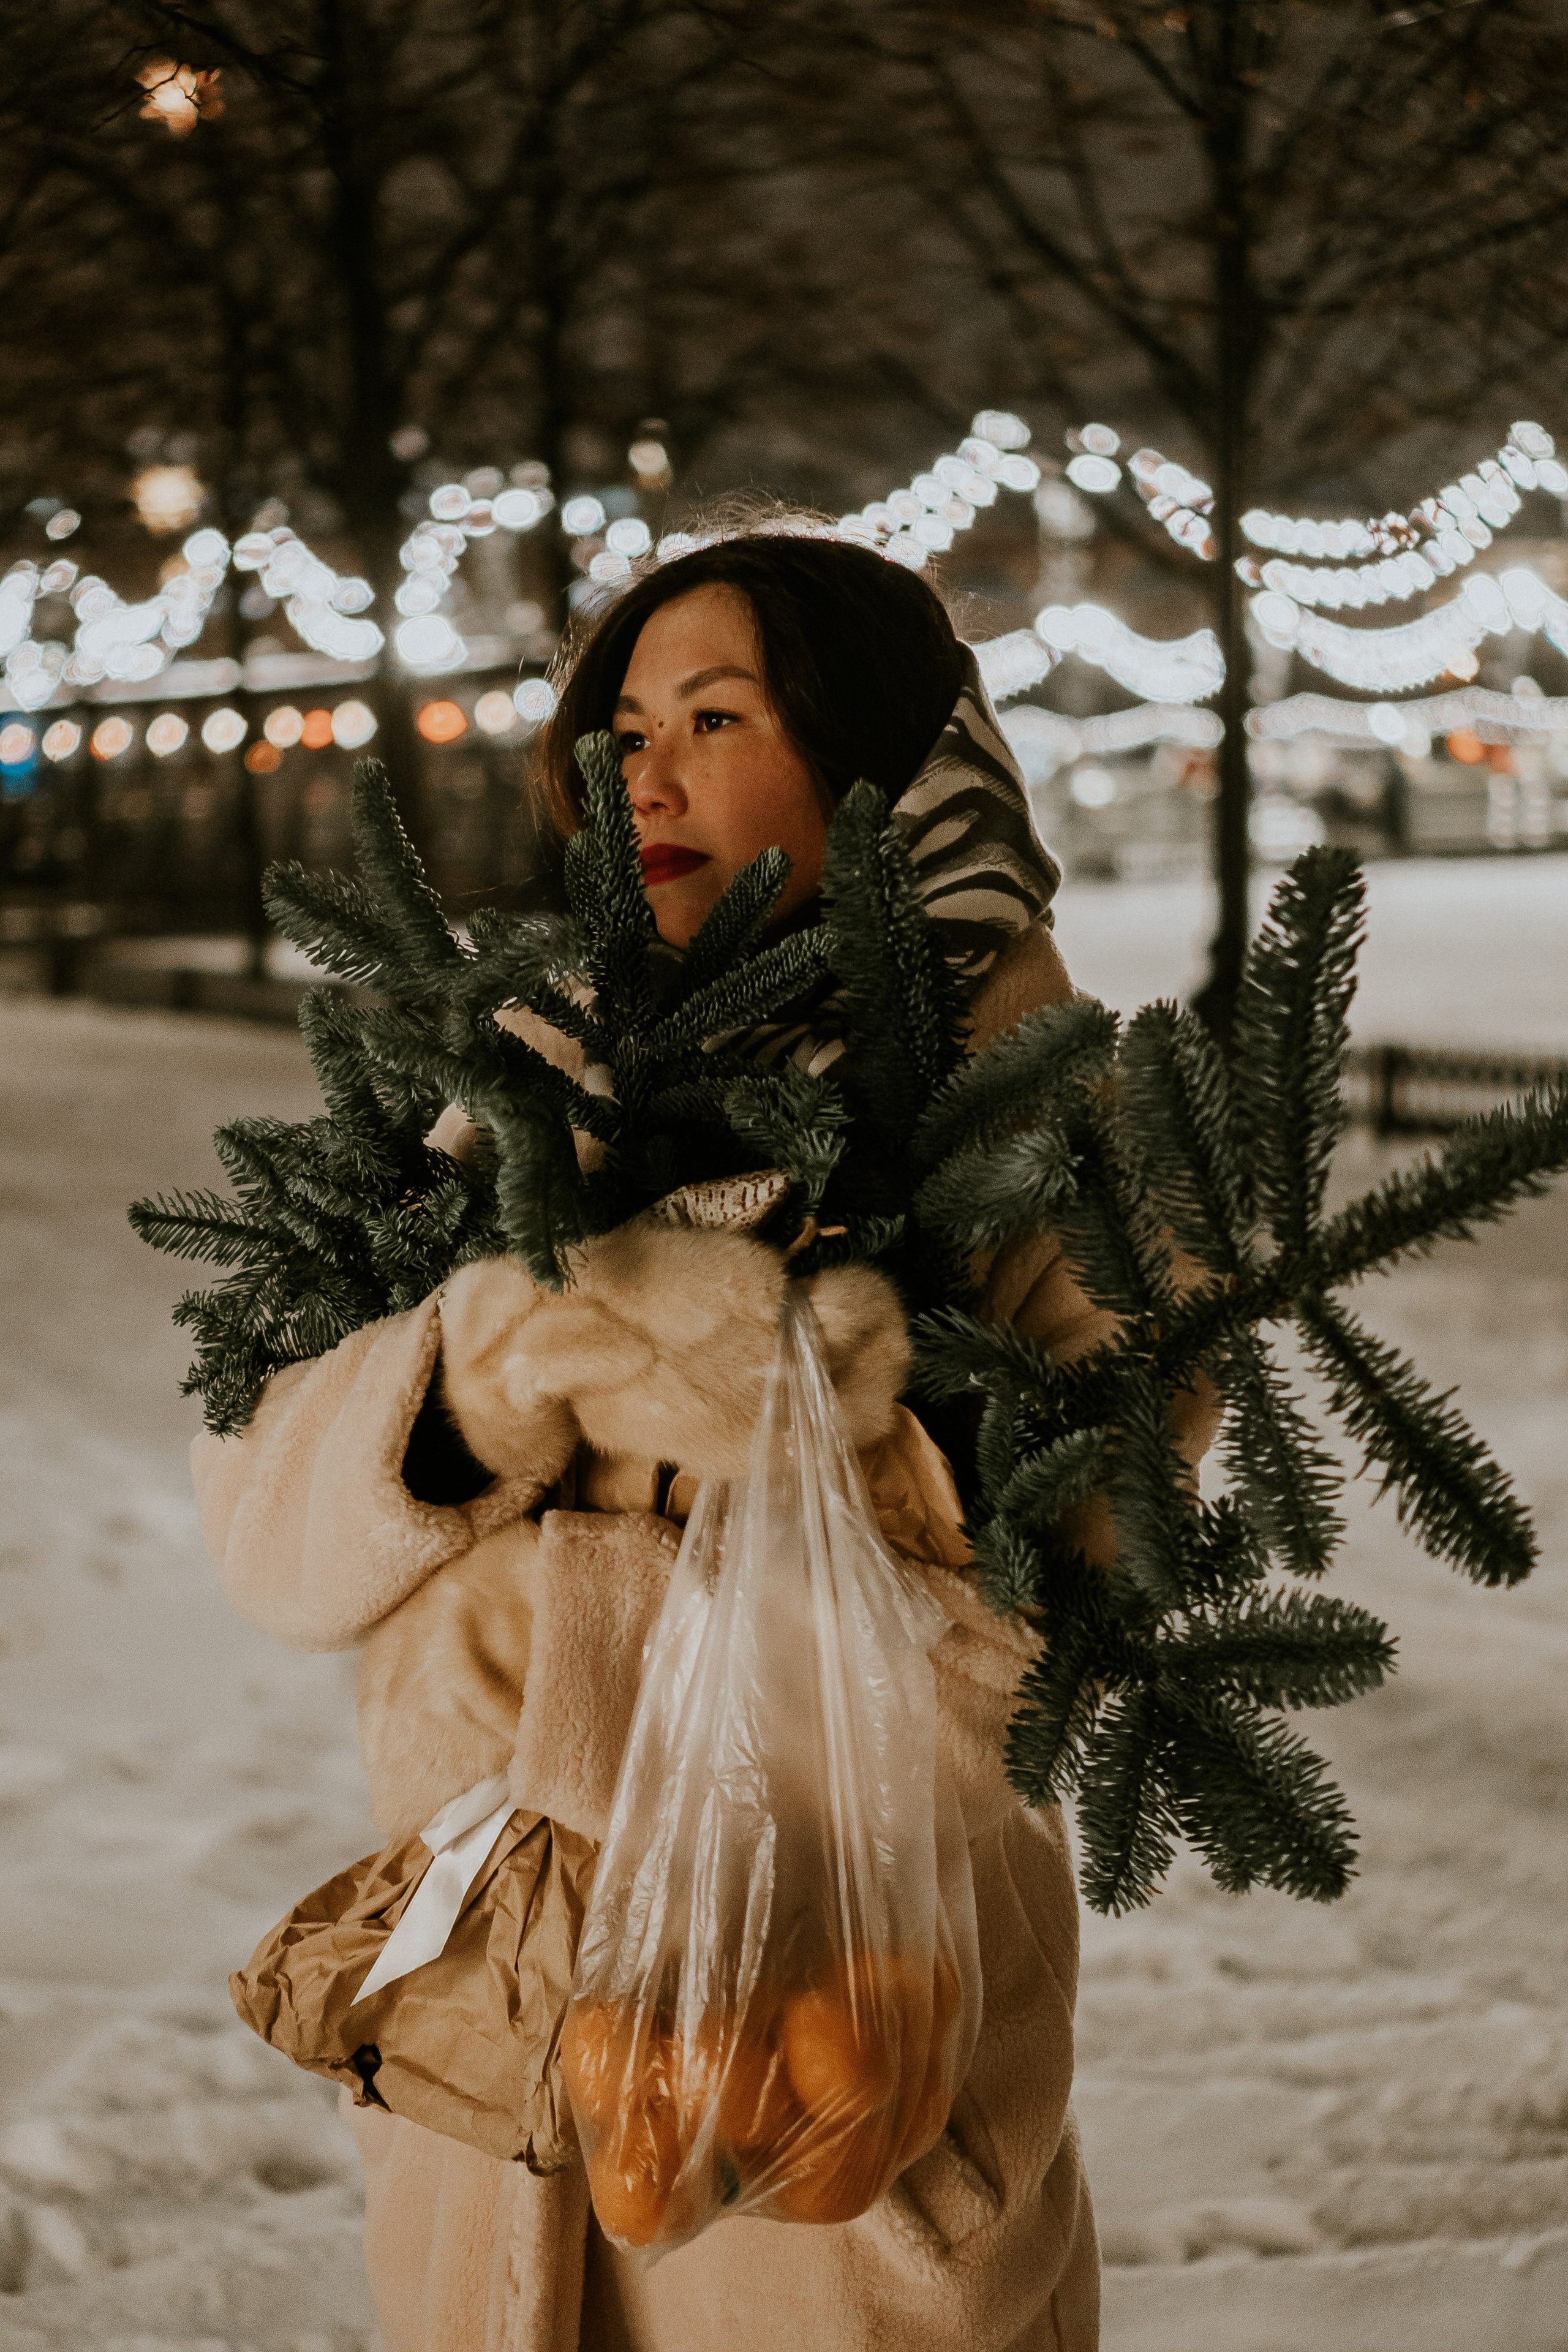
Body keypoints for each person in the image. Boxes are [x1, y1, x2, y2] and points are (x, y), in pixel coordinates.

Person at [192, 522, 1212, 2351]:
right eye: (623, 722)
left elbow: (1100, 1565)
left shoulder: (1044, 1107)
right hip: (502, 2040)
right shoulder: (523, 1080)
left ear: (870, 760)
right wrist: (499, 1370)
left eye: (715, 715)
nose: (638, 769)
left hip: (845, 2027)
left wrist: (813, 1412)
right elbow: (272, 1535)